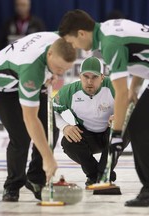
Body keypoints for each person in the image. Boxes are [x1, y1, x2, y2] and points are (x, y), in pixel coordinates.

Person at [58, 9, 149, 207]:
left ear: (81, 33)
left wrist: (116, 134)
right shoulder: (108, 31)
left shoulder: (109, 44)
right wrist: (135, 86)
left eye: (72, 42)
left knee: (138, 128)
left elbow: (120, 93)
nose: (75, 47)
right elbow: (142, 53)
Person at [0, 32, 76, 202]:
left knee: (51, 129)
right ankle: (12, 186)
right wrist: (49, 159)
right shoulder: (32, 72)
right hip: (2, 87)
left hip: (29, 72)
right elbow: (30, 119)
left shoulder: (57, 40)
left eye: (65, 70)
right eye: (58, 68)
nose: (61, 73)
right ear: (49, 54)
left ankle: (35, 179)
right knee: (21, 137)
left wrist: (53, 72)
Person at [53, 56, 123, 187]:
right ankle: (93, 175)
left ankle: (104, 175)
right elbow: (50, 111)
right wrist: (65, 127)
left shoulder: (114, 87)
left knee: (125, 127)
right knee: (68, 142)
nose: (89, 81)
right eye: (86, 76)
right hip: (87, 137)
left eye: (95, 77)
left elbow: (132, 107)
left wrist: (120, 116)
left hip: (111, 134)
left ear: (102, 77)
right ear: (80, 76)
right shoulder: (68, 92)